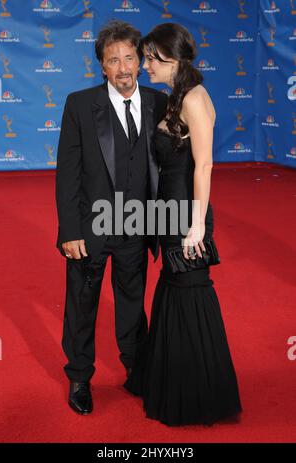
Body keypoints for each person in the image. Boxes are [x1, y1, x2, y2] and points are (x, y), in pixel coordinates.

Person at [124, 23, 243, 426]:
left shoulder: (193, 97)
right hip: (169, 211)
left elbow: (205, 164)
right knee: (175, 292)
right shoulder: (176, 97)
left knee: (190, 292)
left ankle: (198, 394)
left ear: (168, 58)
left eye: (148, 59)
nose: (143, 67)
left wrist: (195, 227)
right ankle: (175, 380)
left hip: (185, 215)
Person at [56, 20, 168, 415]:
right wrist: (70, 229)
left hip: (139, 225)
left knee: (132, 303)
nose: (122, 68)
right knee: (82, 304)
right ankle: (80, 377)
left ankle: (136, 370)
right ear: (101, 67)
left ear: (140, 60)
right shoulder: (80, 105)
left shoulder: (159, 102)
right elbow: (67, 172)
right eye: (112, 60)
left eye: (129, 58)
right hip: (91, 229)